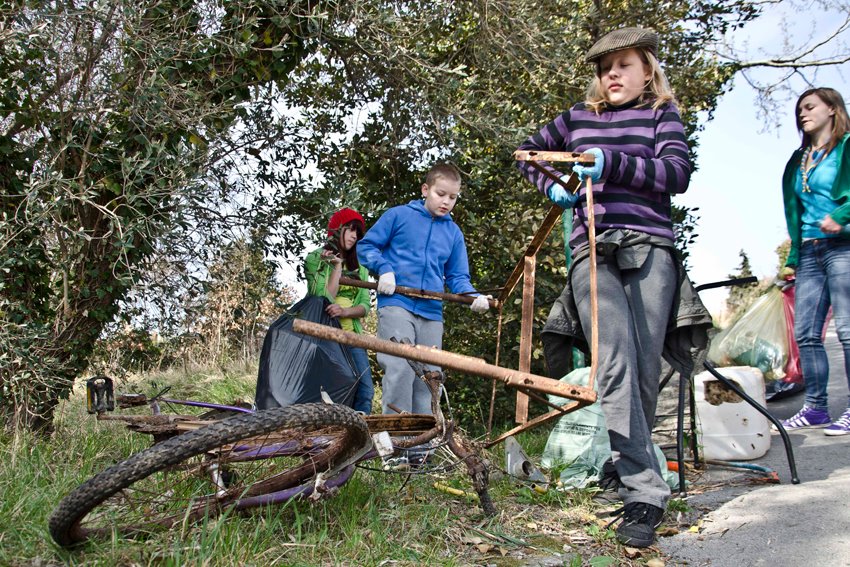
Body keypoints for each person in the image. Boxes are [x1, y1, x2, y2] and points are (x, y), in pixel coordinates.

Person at [516, 27, 706, 548]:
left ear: (647, 69)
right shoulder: (578, 118)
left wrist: (613, 163)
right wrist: (554, 186)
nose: (612, 75)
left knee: (645, 368)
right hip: (592, 250)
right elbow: (526, 153)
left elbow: (677, 172)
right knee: (614, 363)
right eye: (604, 68)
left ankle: (624, 467)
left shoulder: (660, 114)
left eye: (623, 64)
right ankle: (645, 493)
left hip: (651, 247)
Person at [357, 162, 491, 418]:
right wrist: (384, 268)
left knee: (431, 376)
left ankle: (425, 450)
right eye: (440, 194)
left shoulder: (453, 233)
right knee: (400, 368)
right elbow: (367, 247)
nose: (446, 202)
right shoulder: (398, 216)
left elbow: (458, 277)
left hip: (431, 311)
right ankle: (396, 449)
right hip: (396, 302)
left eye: (453, 197)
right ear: (425, 189)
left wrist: (474, 297)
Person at [777, 87, 850, 435]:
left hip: (843, 247)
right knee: (806, 333)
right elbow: (794, 211)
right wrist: (793, 256)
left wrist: (843, 215)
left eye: (810, 107)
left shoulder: (847, 147)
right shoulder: (798, 159)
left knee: (848, 332)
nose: (803, 114)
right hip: (809, 251)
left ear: (833, 109)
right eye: (800, 110)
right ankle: (815, 409)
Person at [305, 207, 374, 413]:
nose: (354, 236)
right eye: (350, 229)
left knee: (365, 390)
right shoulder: (316, 258)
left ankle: (361, 438)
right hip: (325, 336)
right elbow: (322, 297)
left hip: (352, 336)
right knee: (332, 391)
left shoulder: (359, 266)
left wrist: (345, 312)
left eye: (358, 233)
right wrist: (337, 266)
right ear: (337, 229)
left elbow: (365, 306)